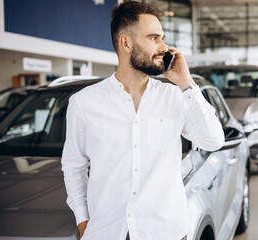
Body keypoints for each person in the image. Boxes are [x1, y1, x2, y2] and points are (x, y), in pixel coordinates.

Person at [61, 1, 224, 240]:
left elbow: (213, 141)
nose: (164, 47)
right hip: (107, 232)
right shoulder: (84, 103)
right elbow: (73, 167)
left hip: (165, 233)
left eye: (162, 38)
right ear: (126, 43)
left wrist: (187, 84)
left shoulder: (175, 97)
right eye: (154, 38)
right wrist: (83, 219)